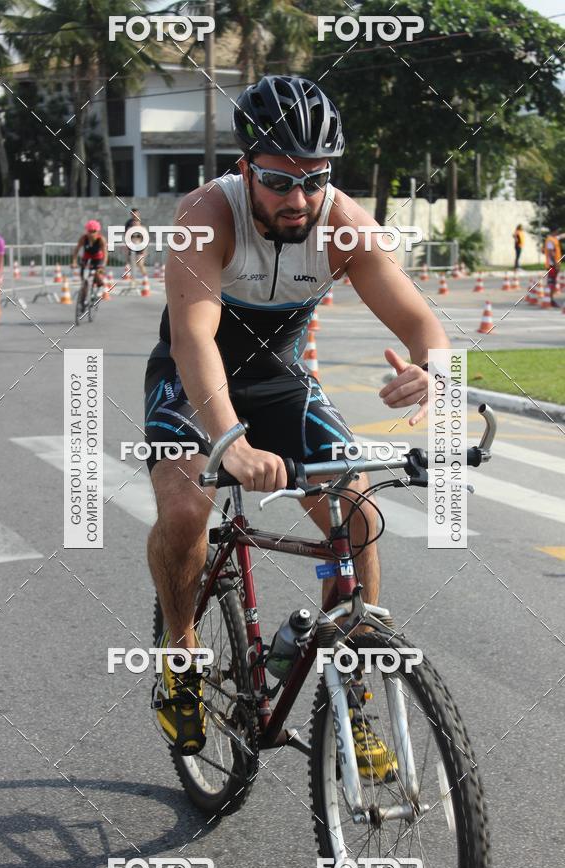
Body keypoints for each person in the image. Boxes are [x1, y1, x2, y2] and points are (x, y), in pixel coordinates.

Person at [144, 75, 450, 772]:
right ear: (246, 168)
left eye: (314, 180)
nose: (299, 199)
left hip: (278, 377)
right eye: (280, 180)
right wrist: (230, 442)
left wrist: (433, 371)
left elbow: (420, 320)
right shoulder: (206, 215)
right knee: (188, 507)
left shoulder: (343, 222)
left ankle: (354, 691)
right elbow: (194, 343)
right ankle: (181, 650)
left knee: (359, 510)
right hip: (194, 378)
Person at [71, 220, 107, 305]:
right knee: (84, 281)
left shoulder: (101, 239)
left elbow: (105, 254)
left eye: (94, 231)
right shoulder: (83, 238)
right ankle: (83, 301)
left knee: (97, 274)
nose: (91, 234)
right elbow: (76, 250)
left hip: (98, 258)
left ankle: (99, 287)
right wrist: (74, 262)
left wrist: (103, 265)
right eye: (89, 231)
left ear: (97, 231)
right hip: (86, 257)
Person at [124, 208, 147, 279]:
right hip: (131, 248)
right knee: (132, 265)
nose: (135, 223)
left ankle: (145, 277)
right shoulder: (128, 226)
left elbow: (146, 240)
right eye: (134, 222)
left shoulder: (143, 228)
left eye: (137, 222)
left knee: (140, 264)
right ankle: (133, 280)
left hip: (140, 248)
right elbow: (126, 237)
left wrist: (145, 250)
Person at [544, 226, 562, 306]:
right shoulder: (550, 241)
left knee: (553, 282)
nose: (558, 233)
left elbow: (561, 236)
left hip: (554, 264)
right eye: (557, 231)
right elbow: (551, 253)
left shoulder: (554, 238)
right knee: (551, 282)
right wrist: (556, 264)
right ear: (554, 231)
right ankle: (550, 300)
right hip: (552, 265)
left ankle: (550, 299)